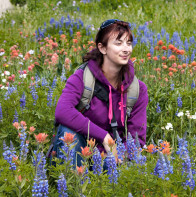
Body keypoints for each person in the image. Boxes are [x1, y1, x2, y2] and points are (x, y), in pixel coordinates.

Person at [53, 19, 148, 167]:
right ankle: (74, 187)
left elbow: (137, 137)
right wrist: (104, 136)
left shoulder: (137, 89)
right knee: (67, 132)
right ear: (102, 48)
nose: (126, 49)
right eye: (118, 43)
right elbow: (62, 111)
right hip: (81, 152)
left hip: (111, 158)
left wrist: (123, 156)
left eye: (128, 43)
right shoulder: (82, 77)